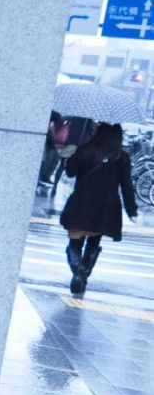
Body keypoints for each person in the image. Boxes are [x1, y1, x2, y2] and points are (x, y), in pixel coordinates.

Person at [59, 122, 139, 294]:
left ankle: (79, 271)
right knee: (93, 243)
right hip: (106, 207)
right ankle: (83, 275)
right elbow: (126, 185)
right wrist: (131, 210)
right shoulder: (121, 157)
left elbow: (70, 172)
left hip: (81, 203)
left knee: (75, 243)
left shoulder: (85, 150)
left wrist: (72, 155)